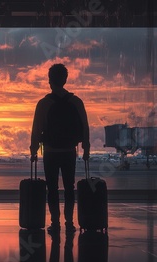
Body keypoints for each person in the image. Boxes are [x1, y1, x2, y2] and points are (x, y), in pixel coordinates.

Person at [30, 63, 90, 233]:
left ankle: (55, 223)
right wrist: (86, 149)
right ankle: (69, 223)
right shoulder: (76, 102)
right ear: (65, 79)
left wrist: (33, 150)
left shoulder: (43, 103)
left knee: (52, 188)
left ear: (50, 80)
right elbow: (85, 127)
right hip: (69, 151)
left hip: (50, 151)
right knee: (70, 188)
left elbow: (36, 129)